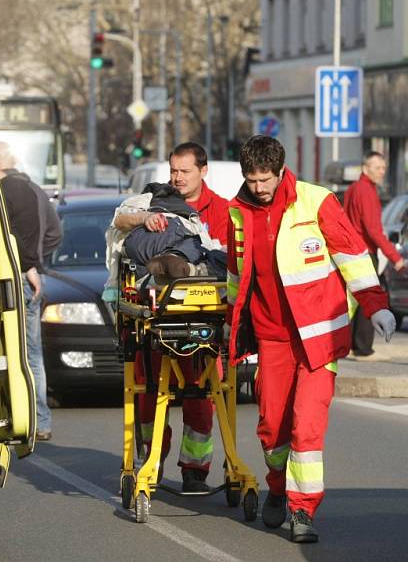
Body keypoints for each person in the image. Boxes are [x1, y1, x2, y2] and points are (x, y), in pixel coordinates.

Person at [226, 135, 395, 543]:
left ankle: (303, 511)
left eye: (265, 179)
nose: (259, 188)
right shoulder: (239, 212)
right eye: (252, 180)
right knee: (271, 426)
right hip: (273, 337)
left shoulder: (316, 201)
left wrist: (376, 305)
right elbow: (237, 275)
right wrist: (228, 324)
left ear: (281, 170)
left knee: (307, 426)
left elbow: (351, 254)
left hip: (319, 336)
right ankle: (277, 486)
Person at [114, 142, 229, 493]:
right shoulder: (156, 201)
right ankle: (153, 457)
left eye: (185, 171)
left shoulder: (222, 210)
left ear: (203, 171)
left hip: (201, 315)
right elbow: (120, 220)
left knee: (201, 396)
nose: (177, 178)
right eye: (174, 171)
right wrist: (146, 218)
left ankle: (196, 468)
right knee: (148, 394)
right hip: (157, 316)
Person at [0, 142, 62, 442]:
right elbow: (55, 233)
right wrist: (37, 259)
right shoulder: (35, 189)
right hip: (32, 275)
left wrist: (27, 263)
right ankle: (39, 420)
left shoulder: (3, 191)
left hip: (14, 277)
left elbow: (4, 235)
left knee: (5, 349)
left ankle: (16, 417)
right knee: (32, 352)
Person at [343, 151, 405, 357]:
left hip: (352, 252)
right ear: (365, 168)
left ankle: (352, 345)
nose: (382, 172)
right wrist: (395, 257)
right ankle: (363, 347)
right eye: (377, 167)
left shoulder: (353, 189)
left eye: (384, 168)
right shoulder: (366, 191)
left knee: (355, 299)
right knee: (369, 299)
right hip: (365, 253)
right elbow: (373, 230)